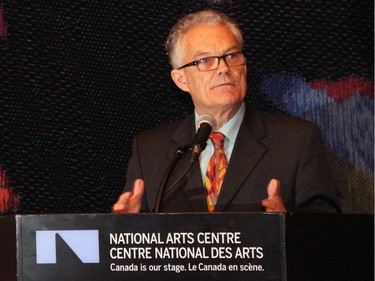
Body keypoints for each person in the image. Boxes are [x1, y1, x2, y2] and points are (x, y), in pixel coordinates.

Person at [112, 9, 340, 214]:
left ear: (245, 66)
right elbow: (133, 244)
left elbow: (327, 233)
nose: (223, 69)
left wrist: (285, 225)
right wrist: (122, 229)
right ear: (181, 79)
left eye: (231, 56)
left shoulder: (296, 140)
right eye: (205, 61)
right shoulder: (150, 149)